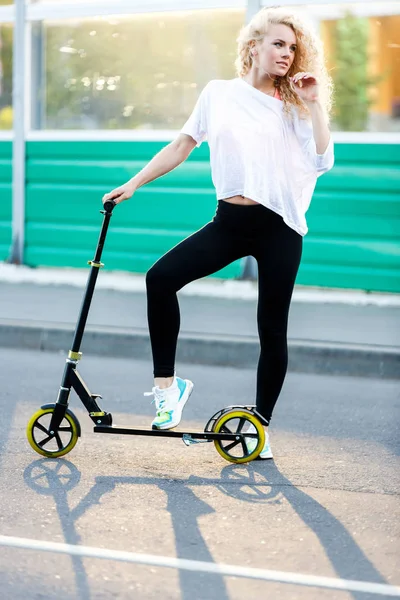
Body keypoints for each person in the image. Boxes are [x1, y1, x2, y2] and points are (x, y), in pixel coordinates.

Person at [102, 7, 334, 460]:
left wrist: (315, 104)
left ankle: (260, 427)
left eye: (292, 46)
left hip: (279, 227)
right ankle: (168, 388)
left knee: (272, 329)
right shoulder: (218, 94)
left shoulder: (293, 106)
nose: (286, 53)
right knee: (160, 278)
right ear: (254, 46)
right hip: (230, 222)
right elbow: (182, 144)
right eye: (277, 43)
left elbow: (322, 159)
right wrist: (134, 183)